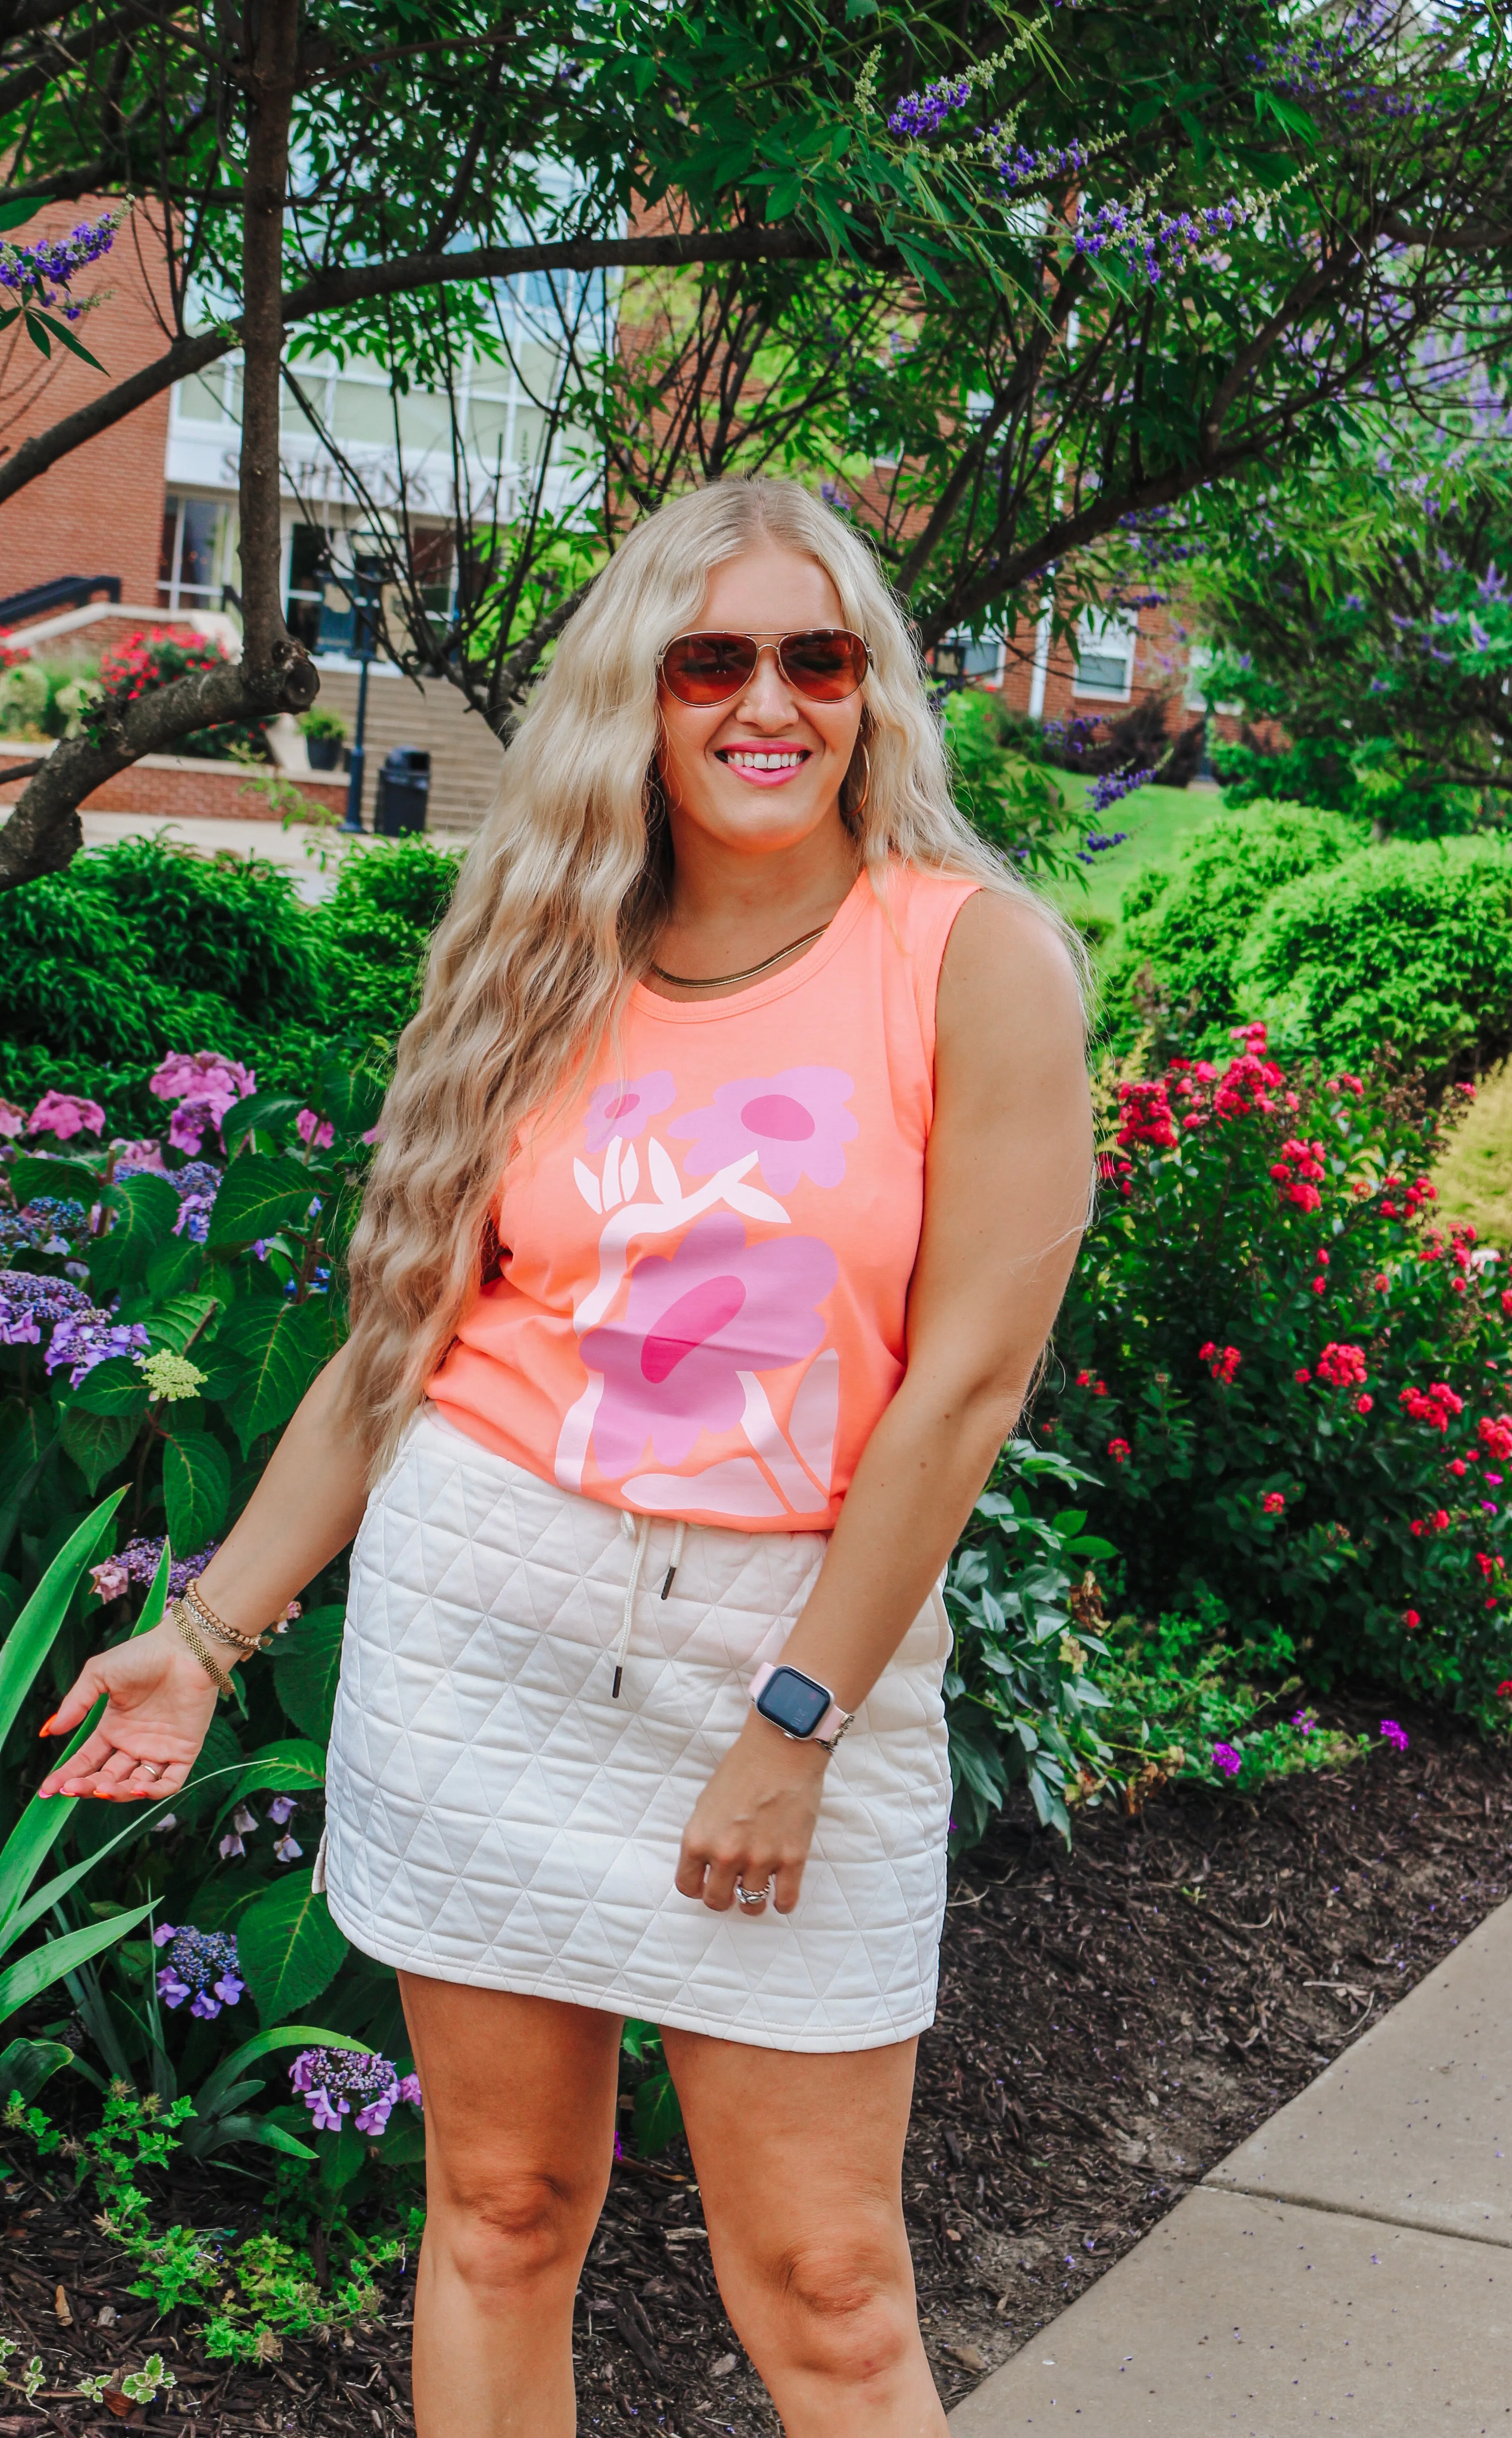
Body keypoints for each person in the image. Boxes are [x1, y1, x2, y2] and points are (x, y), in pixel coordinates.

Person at [40, 477, 1092, 2438]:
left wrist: (794, 1724)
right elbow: (396, 1344)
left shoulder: (971, 964)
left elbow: (963, 1392)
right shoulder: (539, 957)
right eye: (713, 659)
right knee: (506, 2214)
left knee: (836, 2294)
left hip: (798, 1658)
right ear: (638, 693)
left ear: (870, 694)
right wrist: (205, 1630)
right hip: (485, 1636)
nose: (766, 702)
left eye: (816, 657)